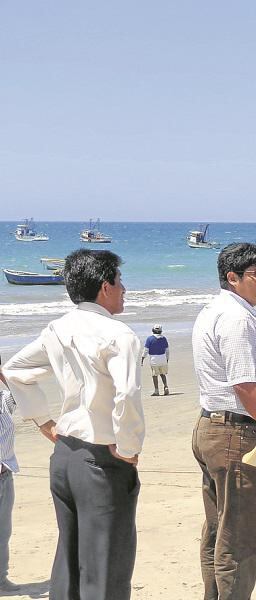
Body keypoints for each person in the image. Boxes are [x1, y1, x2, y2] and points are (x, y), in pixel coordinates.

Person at [1, 248, 144, 600]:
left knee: (69, 561)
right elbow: (127, 393)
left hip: (65, 456)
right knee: (106, 568)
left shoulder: (58, 328)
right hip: (102, 458)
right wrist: (129, 447)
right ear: (105, 287)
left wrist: (43, 421)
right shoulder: (119, 334)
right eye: (120, 281)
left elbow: (15, 370)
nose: (124, 288)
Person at [191, 242, 256, 600]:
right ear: (233, 277)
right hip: (234, 432)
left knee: (218, 532)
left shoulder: (213, 310)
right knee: (239, 540)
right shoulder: (237, 318)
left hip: (212, 428)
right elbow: (245, 385)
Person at [0, 359, 20, 593]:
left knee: (3, 532)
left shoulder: (3, 400)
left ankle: (1, 579)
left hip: (4, 475)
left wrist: (3, 374)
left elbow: (21, 392)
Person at [142, 324, 170, 396]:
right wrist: (167, 359)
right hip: (163, 358)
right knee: (162, 374)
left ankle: (156, 391)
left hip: (154, 359)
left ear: (153, 330)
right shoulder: (164, 339)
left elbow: (145, 350)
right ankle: (166, 386)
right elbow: (167, 350)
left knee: (154, 375)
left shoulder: (149, 339)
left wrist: (142, 358)